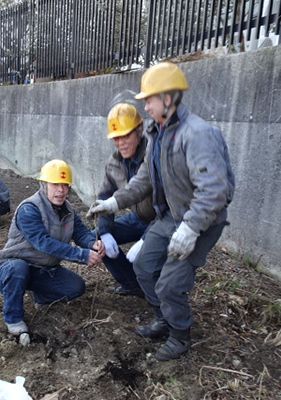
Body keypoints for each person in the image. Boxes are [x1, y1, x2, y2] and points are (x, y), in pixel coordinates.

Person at [88, 62, 235, 361]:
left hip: (201, 221)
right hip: (173, 216)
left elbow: (215, 190)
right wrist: (115, 202)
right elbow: (144, 178)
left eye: (149, 100)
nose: (145, 107)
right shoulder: (159, 133)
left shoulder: (197, 135)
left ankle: (179, 336)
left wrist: (192, 228)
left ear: (168, 99)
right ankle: (163, 319)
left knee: (169, 284)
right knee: (143, 266)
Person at [0, 160, 106, 335]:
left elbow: (81, 233)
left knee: (76, 287)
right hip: (13, 267)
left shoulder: (68, 211)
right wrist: (82, 255)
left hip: (44, 269)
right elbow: (42, 243)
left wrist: (92, 243)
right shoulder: (29, 209)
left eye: (65, 185)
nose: (61, 190)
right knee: (17, 269)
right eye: (55, 184)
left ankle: (41, 296)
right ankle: (13, 317)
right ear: (43, 184)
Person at [96, 103, 155, 297]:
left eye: (125, 136)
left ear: (139, 130)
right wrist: (104, 232)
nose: (120, 143)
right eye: (115, 138)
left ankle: (158, 293)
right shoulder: (114, 162)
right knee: (96, 238)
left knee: (147, 261)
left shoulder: (155, 155)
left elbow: (172, 206)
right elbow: (105, 196)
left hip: (162, 221)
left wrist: (148, 239)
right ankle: (132, 284)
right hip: (138, 219)